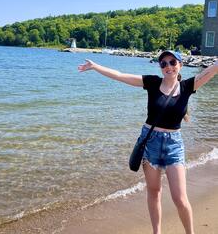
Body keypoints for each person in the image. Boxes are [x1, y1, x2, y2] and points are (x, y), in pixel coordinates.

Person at [78, 50, 218, 234]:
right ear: (160, 67)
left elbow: (213, 70)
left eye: (172, 62)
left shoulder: (188, 86)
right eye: (164, 63)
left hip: (174, 145)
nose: (168, 66)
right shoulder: (152, 83)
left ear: (180, 65)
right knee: (154, 192)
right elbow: (121, 76)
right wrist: (95, 66)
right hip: (150, 142)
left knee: (180, 198)